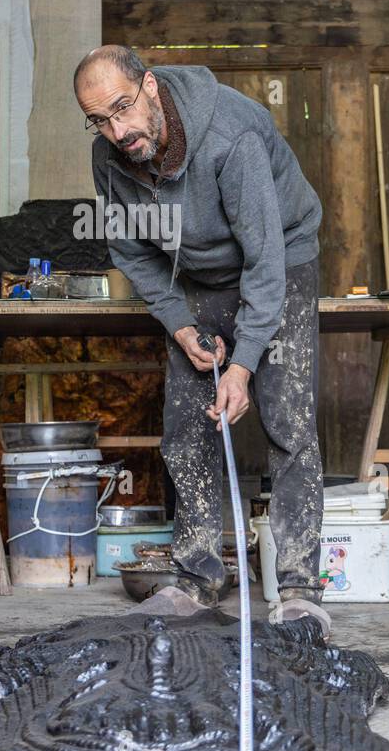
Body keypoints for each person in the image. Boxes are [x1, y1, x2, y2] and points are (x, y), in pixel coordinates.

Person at [73, 46, 329, 636]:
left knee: (287, 422)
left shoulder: (229, 136)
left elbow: (264, 262)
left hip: (279, 259)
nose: (117, 131)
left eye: (122, 109)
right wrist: (181, 325)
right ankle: (197, 578)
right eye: (100, 121)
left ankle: (296, 588)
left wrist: (241, 366)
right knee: (187, 425)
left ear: (151, 87)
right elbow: (129, 249)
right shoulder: (110, 157)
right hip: (195, 276)